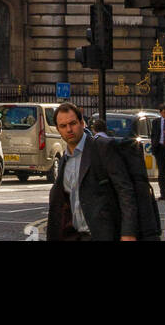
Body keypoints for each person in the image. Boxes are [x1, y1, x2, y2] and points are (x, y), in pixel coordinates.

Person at [46, 103, 138, 242]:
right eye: (63, 126)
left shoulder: (102, 148)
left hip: (103, 235)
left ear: (82, 123)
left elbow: (124, 190)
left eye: (73, 123)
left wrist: (128, 232)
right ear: (58, 130)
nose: (69, 129)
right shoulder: (65, 160)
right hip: (75, 235)